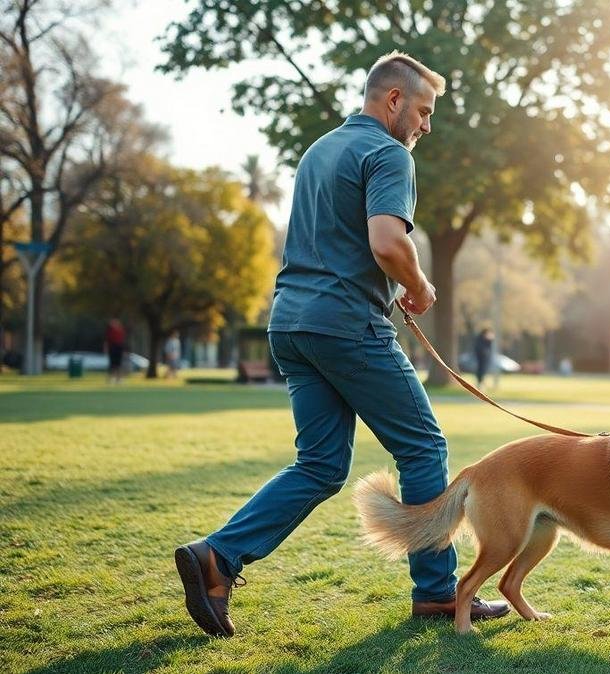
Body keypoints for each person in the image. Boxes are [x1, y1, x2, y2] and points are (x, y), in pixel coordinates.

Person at [173, 51, 508, 639]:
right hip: (348, 325)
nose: (427, 126)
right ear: (394, 100)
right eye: (424, 111)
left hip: (291, 325)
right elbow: (387, 242)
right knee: (423, 447)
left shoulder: (319, 150)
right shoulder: (389, 154)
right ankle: (436, 593)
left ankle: (217, 557)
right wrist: (419, 286)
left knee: (321, 464)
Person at [104, 318, 126, 385]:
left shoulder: (121, 330)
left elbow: (122, 341)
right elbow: (106, 340)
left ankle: (119, 379)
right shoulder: (109, 331)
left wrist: (123, 350)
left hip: (119, 347)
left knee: (119, 364)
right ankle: (110, 379)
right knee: (112, 364)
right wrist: (106, 348)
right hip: (112, 347)